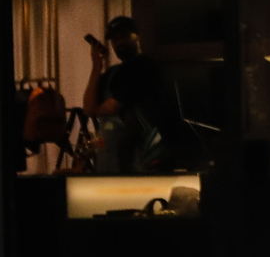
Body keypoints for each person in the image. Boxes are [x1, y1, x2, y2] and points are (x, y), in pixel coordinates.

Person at [84, 15, 195, 173]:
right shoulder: (111, 73)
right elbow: (88, 109)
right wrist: (96, 68)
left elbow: (110, 108)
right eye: (114, 39)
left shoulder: (145, 66)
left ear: (137, 36)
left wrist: (97, 109)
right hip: (110, 160)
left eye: (124, 36)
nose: (119, 42)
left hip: (140, 160)